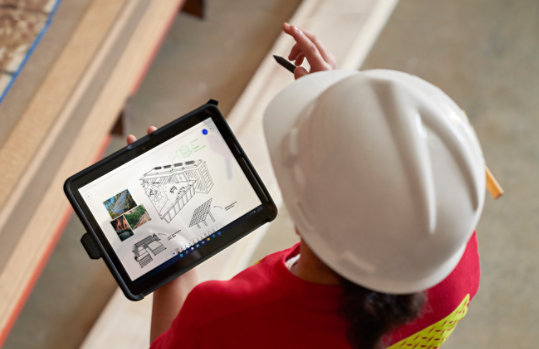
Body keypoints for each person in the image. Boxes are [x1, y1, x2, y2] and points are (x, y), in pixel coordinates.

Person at [127, 23, 485, 349]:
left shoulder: (228, 318)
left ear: (300, 211)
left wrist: (171, 253)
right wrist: (348, 107)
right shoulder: (450, 246)